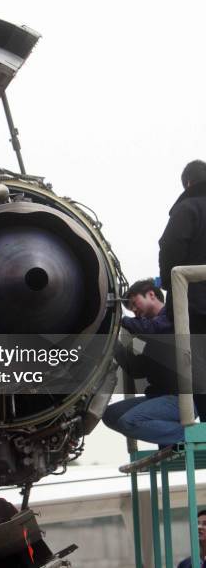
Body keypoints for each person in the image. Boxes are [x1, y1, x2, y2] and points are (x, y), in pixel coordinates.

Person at [103, 278, 188, 447]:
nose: (134, 310)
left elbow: (152, 329)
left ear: (151, 294)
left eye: (135, 303)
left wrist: (117, 317)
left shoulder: (171, 317)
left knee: (129, 421)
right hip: (158, 396)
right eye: (131, 309)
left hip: (182, 398)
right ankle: (171, 435)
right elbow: (136, 369)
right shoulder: (144, 333)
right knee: (110, 415)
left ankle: (189, 436)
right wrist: (113, 343)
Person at [159, 159, 206, 419]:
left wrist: (170, 284)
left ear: (188, 183)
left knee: (197, 370)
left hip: (196, 308)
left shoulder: (187, 209)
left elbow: (171, 251)